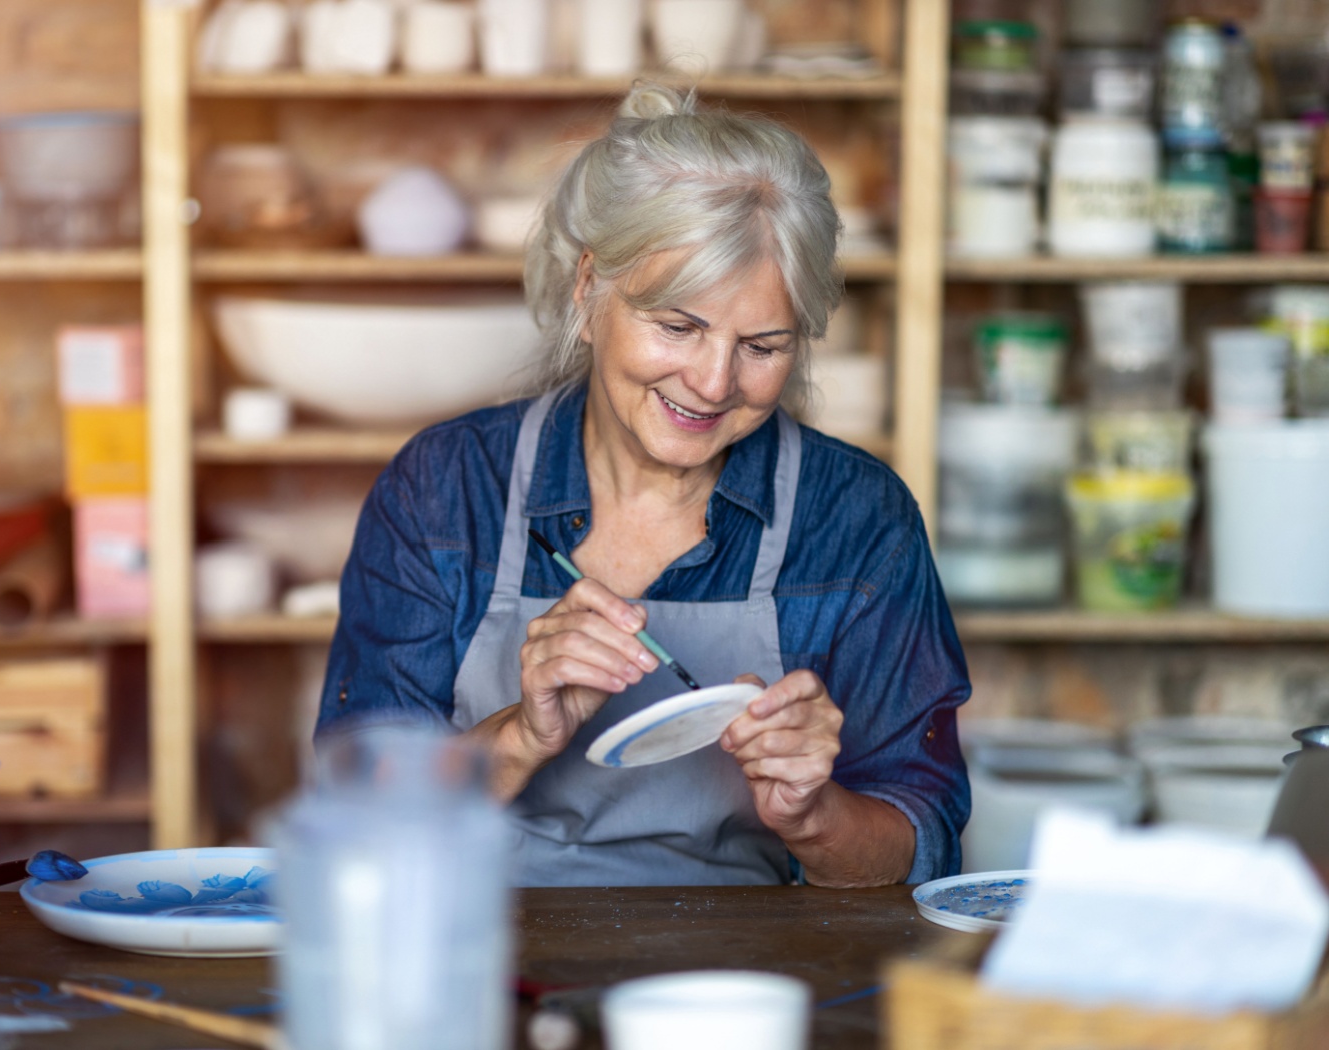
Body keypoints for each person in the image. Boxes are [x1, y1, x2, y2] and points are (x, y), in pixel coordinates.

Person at [317, 83, 970, 889]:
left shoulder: (857, 516)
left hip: (742, 971)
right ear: (590, 290)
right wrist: (523, 735)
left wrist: (816, 815)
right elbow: (357, 819)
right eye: (678, 326)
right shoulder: (446, 491)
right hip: (480, 947)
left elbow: (920, 845)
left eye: (762, 345)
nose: (712, 381)